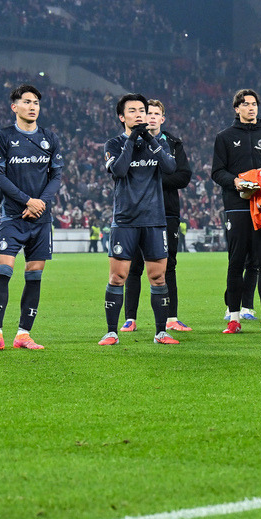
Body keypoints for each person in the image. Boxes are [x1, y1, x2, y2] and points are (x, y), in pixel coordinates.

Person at [0, 84, 63, 351]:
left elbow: (56, 177)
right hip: (12, 216)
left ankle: (23, 334)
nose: (33, 107)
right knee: (4, 270)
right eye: (27, 102)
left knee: (34, 275)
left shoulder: (49, 138)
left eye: (36, 103)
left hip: (41, 219)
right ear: (14, 106)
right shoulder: (3, 136)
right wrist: (27, 200)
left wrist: (40, 202)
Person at [99, 93, 179, 346]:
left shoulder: (158, 143)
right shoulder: (113, 144)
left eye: (142, 110)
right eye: (132, 110)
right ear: (122, 117)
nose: (139, 114)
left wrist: (146, 138)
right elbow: (120, 170)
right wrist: (132, 139)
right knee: (118, 277)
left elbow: (169, 167)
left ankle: (161, 332)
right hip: (125, 220)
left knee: (158, 277)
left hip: (154, 220)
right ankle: (111, 331)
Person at [212, 89, 261, 335]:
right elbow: (217, 171)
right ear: (237, 108)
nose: (251, 108)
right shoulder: (224, 137)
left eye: (254, 104)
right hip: (237, 206)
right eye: (246, 104)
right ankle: (233, 318)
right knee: (235, 263)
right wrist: (236, 182)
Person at [120, 99, 193, 333]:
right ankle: (130, 318)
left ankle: (171, 318)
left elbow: (183, 176)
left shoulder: (173, 143)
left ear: (163, 118)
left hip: (167, 212)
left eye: (156, 114)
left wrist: (152, 181)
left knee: (168, 265)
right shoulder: (132, 143)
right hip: (137, 212)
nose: (150, 117)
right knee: (134, 266)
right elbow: (125, 174)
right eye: (147, 112)